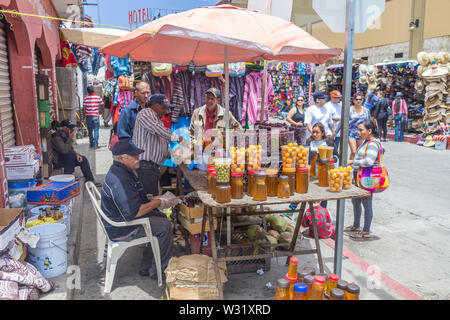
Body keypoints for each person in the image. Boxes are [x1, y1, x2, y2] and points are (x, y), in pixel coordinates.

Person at [100, 138, 174, 279]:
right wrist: (158, 202)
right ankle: (160, 271)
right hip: (121, 228)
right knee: (163, 226)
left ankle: (148, 265)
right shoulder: (119, 179)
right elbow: (133, 213)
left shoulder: (125, 171)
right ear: (122, 158)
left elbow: (134, 199)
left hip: (122, 218)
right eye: (134, 156)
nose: (138, 158)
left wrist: (154, 199)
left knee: (161, 217)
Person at [132, 94, 183, 197]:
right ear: (154, 105)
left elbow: (159, 145)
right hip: (145, 166)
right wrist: (178, 138)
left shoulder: (157, 120)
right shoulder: (145, 113)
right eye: (164, 108)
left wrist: (173, 153)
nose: (166, 111)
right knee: (149, 201)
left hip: (151, 167)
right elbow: (156, 129)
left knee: (151, 198)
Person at [345, 120, 382, 240]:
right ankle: (356, 225)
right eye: (358, 129)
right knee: (355, 201)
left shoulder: (372, 143)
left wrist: (352, 162)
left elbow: (368, 162)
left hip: (367, 178)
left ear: (369, 131)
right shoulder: (366, 142)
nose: (358, 132)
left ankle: (366, 231)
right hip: (359, 176)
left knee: (367, 203)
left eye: (361, 130)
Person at [51, 119, 101, 187]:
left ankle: (90, 180)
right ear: (64, 128)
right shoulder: (56, 136)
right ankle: (68, 177)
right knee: (70, 155)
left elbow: (71, 149)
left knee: (83, 159)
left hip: (66, 158)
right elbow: (64, 150)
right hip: (58, 161)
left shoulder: (65, 135)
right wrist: (70, 138)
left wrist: (77, 155)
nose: (72, 130)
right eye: (70, 128)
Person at [348, 92, 371, 161]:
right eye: (356, 99)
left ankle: (357, 167)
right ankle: (349, 167)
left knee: (359, 152)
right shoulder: (350, 110)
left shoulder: (366, 110)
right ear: (353, 100)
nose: (358, 101)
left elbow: (368, 122)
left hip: (361, 134)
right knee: (353, 151)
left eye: (360, 99)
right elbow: (343, 121)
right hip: (351, 133)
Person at [324, 90, 342, 157]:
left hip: (339, 130)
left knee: (336, 147)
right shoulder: (327, 106)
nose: (337, 99)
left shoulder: (341, 105)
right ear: (331, 97)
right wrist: (333, 118)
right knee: (329, 147)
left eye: (338, 97)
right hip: (329, 131)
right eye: (336, 97)